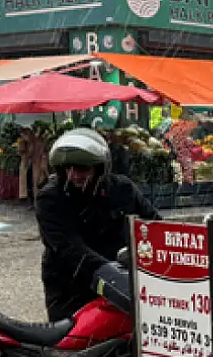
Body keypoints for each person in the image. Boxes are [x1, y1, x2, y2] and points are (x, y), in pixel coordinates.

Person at [35, 129, 160, 323]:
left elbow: (154, 225)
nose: (74, 175)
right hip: (71, 285)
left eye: (82, 168)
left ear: (99, 168)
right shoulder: (50, 198)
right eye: (68, 168)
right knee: (72, 342)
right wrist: (112, 274)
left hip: (123, 281)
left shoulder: (123, 189)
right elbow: (69, 248)